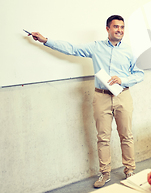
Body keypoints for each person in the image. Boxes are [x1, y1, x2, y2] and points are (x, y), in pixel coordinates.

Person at [30, 15, 144, 188]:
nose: (119, 30)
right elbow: (71, 49)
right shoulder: (96, 47)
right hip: (101, 97)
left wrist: (122, 80)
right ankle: (105, 173)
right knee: (103, 138)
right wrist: (46, 40)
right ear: (108, 29)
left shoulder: (129, 50)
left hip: (123, 95)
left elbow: (139, 74)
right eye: (116, 27)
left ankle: (129, 169)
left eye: (122, 27)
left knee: (126, 135)